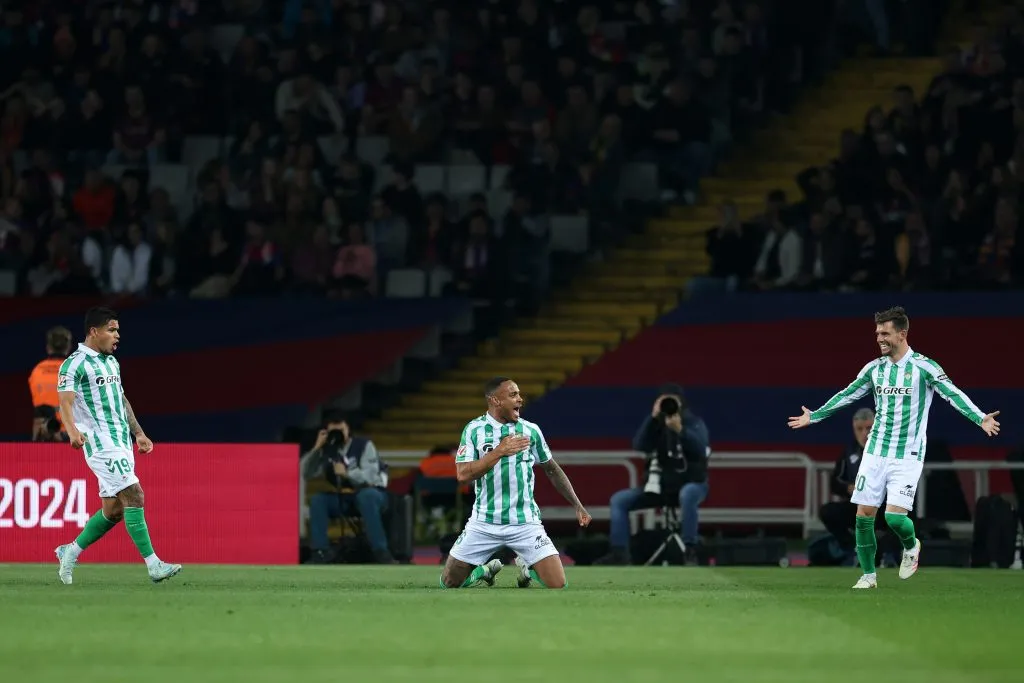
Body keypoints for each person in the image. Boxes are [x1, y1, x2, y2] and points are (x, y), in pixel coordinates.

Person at [788, 306, 1000, 589]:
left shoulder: (924, 367)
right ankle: (868, 575)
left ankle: (911, 545)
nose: (879, 338)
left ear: (902, 334)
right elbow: (847, 394)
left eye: (885, 333)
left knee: (894, 518)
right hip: (875, 451)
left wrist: (980, 417)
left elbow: (953, 394)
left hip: (908, 454)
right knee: (864, 514)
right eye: (877, 333)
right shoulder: (874, 369)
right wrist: (814, 415)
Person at [53, 307, 181, 585]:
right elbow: (65, 401)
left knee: (114, 511)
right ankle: (154, 565)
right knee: (134, 495)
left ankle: (69, 551)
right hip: (100, 444)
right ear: (93, 332)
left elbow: (122, 401)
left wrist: (139, 433)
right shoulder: (74, 364)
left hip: (121, 442)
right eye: (112, 330)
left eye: (118, 330)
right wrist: (72, 431)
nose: (117, 335)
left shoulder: (112, 362)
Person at [440, 377, 592, 589]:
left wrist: (577, 504)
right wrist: (499, 452)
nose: (520, 399)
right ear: (495, 400)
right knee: (449, 583)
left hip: (525, 523)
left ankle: (527, 568)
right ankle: (484, 570)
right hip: (484, 522)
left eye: (519, 394)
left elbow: (552, 469)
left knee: (557, 584)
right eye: (513, 395)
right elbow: (463, 475)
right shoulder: (474, 430)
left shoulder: (531, 430)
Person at [595, 384, 710, 566]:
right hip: (659, 487)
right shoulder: (655, 425)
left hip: (693, 483)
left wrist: (680, 430)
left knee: (687, 494)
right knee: (619, 500)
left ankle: (690, 551)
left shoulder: (693, 422)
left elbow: (700, 450)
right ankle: (620, 554)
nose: (669, 406)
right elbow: (639, 445)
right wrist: (652, 418)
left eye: (673, 402)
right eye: (664, 402)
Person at [301, 413, 396, 564]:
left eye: (341, 430)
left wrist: (347, 474)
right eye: (334, 431)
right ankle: (320, 551)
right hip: (344, 498)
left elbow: (370, 477)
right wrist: (317, 448)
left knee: (366, 496)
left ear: (348, 429)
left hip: (374, 495)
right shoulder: (327, 449)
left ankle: (380, 551)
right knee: (319, 500)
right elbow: (306, 473)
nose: (338, 435)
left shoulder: (364, 445)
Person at [28, 326, 72, 441]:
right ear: (68, 347)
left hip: (44, 436)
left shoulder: (37, 371)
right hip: (70, 438)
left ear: (48, 348)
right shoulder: (76, 370)